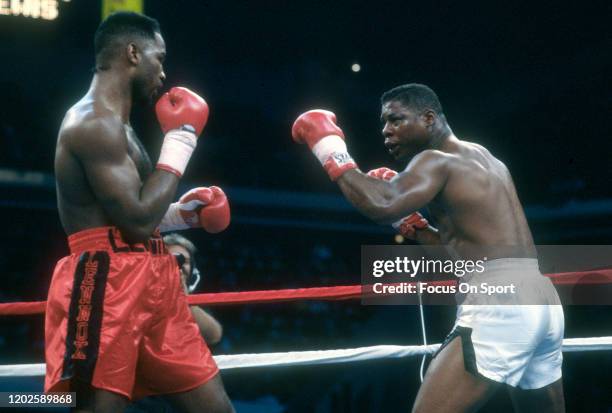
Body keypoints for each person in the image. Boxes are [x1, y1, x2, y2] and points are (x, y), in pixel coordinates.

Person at [291, 83, 565, 413]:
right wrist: (418, 230)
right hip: (541, 298)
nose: (386, 132)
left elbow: (381, 203)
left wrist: (328, 147)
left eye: (395, 120)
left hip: (501, 302)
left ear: (429, 118)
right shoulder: (485, 158)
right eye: (383, 124)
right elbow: (471, 254)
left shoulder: (435, 161)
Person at [46, 11, 233, 413]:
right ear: (132, 52)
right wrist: (182, 139)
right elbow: (134, 222)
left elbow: (134, 215)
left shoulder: (121, 126)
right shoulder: (92, 123)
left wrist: (181, 215)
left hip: (154, 277)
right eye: (159, 58)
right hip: (105, 284)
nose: (163, 72)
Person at [164, 233, 223, 345]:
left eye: (184, 261)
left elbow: (214, 336)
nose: (179, 266)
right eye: (173, 260)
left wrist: (187, 300)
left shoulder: (198, 294)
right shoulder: (143, 291)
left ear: (192, 268)